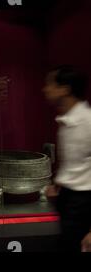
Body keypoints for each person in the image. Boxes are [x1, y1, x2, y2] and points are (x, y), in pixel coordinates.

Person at [42, 65, 91, 252]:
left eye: (50, 84)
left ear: (65, 89)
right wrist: (59, 184)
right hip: (70, 200)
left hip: (84, 203)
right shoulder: (67, 120)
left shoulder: (88, 121)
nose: (45, 89)